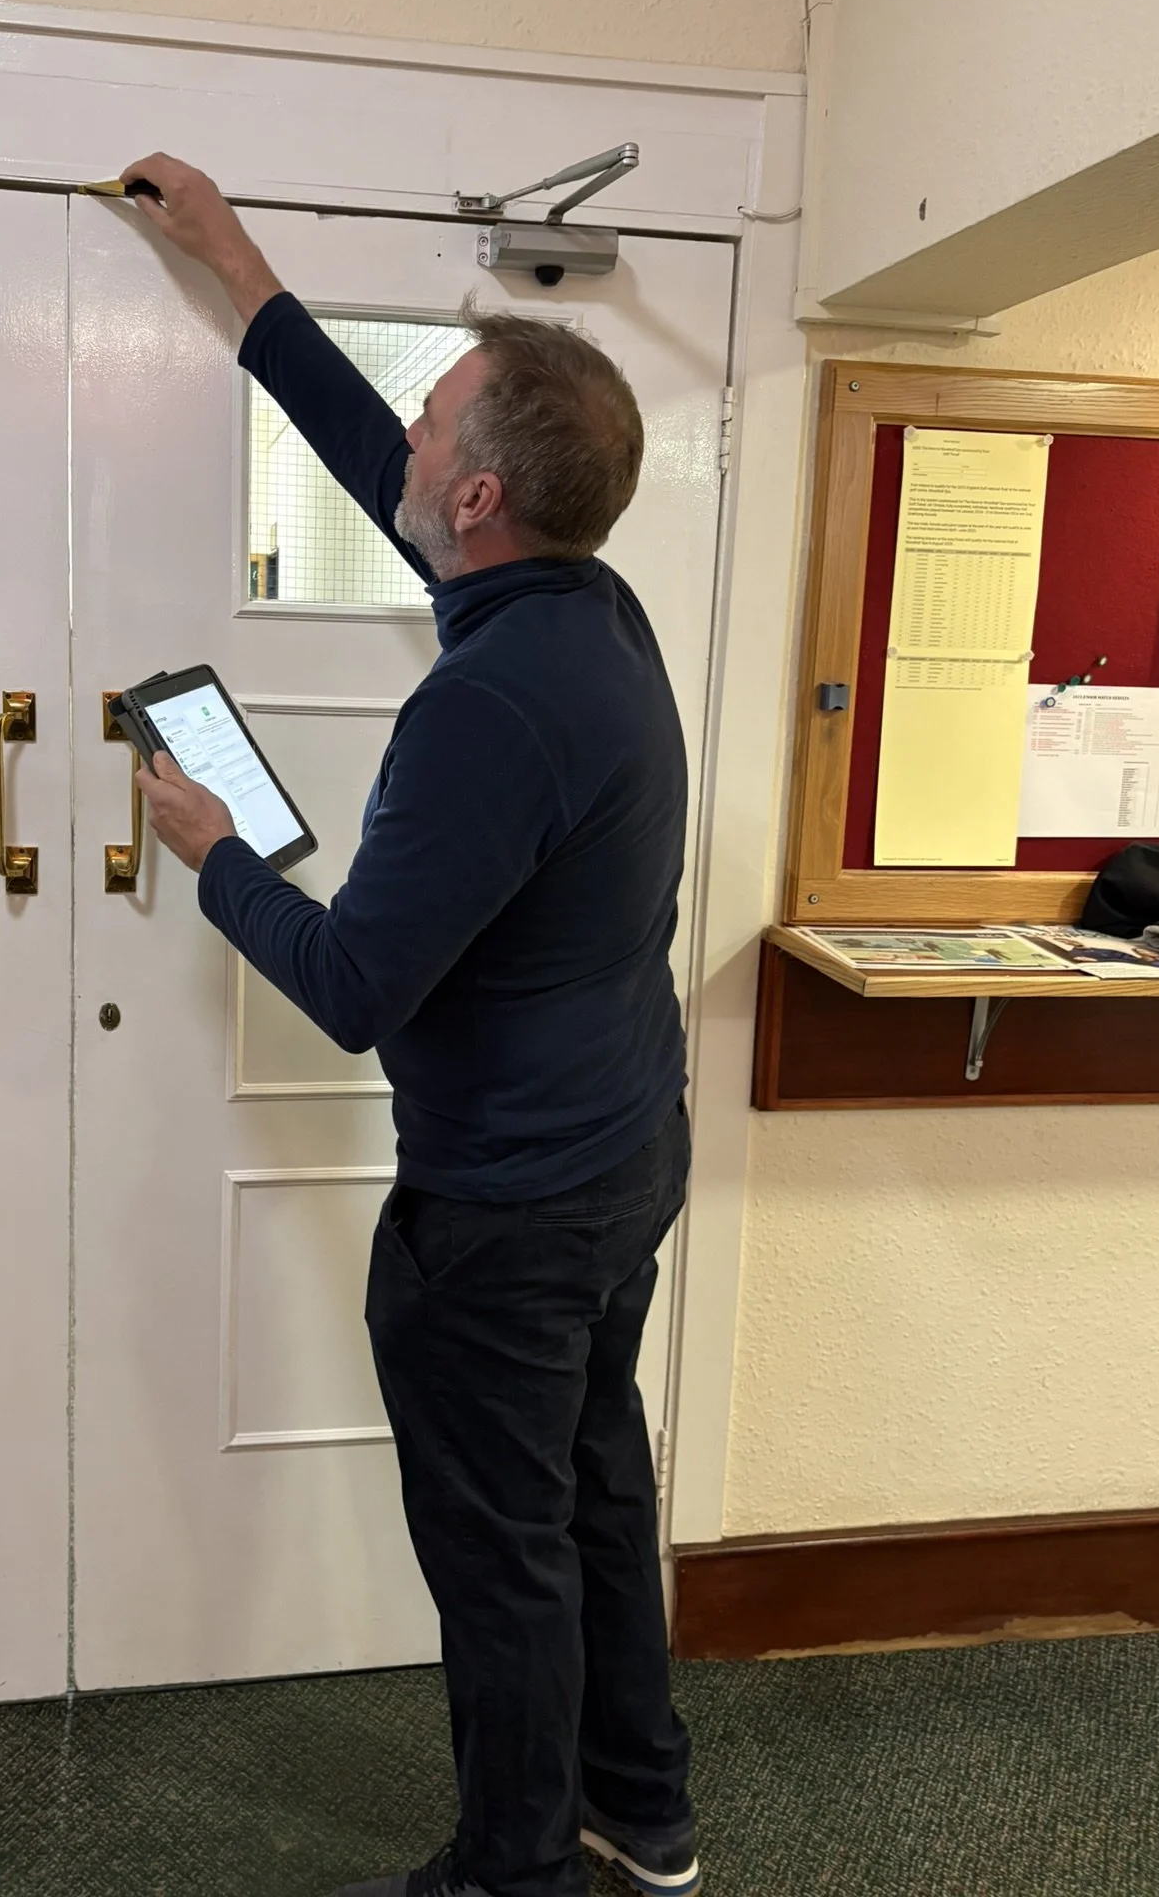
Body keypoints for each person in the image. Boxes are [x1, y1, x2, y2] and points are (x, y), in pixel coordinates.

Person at [122, 152, 699, 1897]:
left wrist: (216, 859)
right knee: (596, 1489)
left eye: (437, 424)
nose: (413, 440)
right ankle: (643, 1810)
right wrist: (237, 268)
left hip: (509, 1217)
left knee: (503, 1553)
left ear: (480, 499)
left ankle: (514, 1871)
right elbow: (371, 452)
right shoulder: (587, 604)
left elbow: (363, 987)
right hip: (620, 1166)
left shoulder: (491, 706)